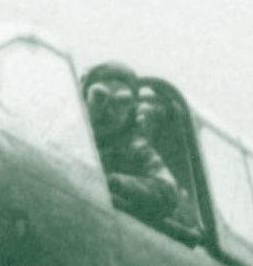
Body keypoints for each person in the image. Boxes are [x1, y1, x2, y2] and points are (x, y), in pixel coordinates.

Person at [84, 66, 202, 242]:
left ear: (131, 110)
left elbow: (167, 191)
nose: (108, 110)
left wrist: (115, 182)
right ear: (85, 97)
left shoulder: (135, 148)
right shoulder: (69, 132)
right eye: (99, 97)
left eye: (122, 103)